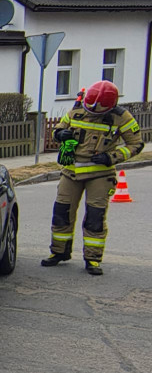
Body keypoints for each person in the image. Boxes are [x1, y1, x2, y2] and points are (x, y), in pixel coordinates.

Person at [42, 80, 144, 275]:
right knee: (62, 212)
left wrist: (111, 157)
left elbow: (136, 144)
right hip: (71, 172)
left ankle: (92, 259)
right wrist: (60, 134)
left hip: (100, 174)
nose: (92, 111)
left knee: (95, 216)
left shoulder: (121, 117)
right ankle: (59, 252)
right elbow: (58, 130)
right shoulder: (77, 110)